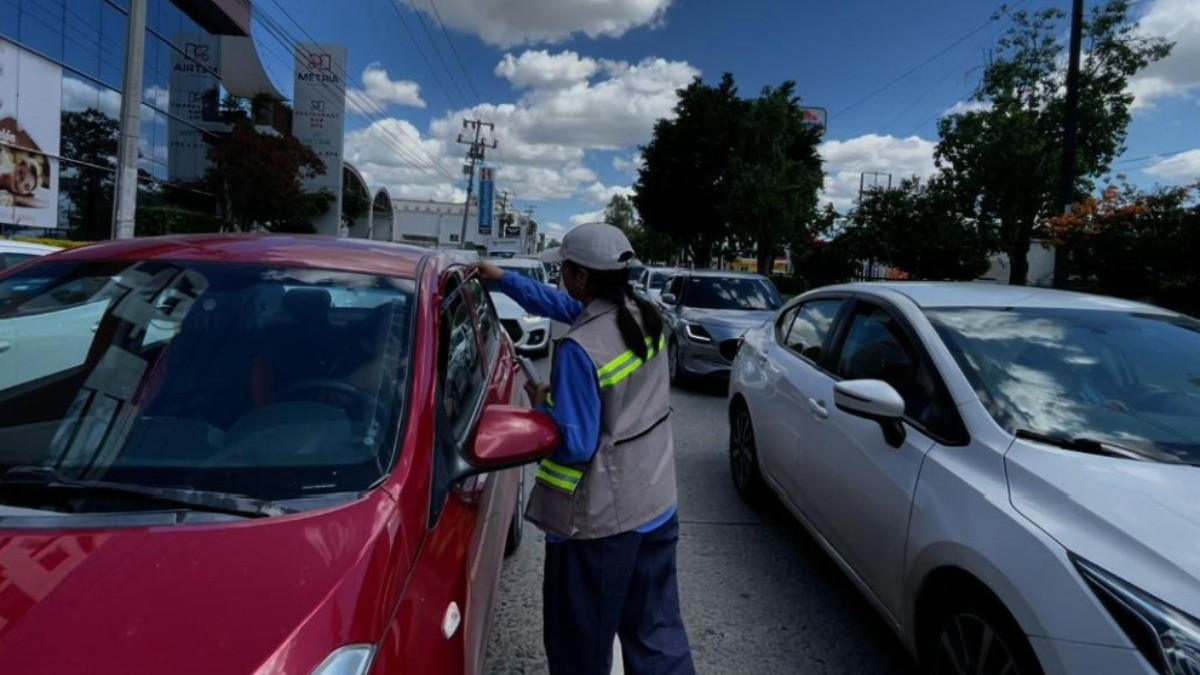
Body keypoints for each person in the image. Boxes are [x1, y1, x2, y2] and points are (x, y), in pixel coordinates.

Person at [469, 223, 695, 675]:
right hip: (655, 503)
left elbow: (573, 443)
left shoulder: (579, 349)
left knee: (580, 645)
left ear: (584, 278)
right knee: (655, 632)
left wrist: (543, 404)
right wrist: (502, 279)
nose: (562, 279)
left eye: (565, 270)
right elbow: (563, 306)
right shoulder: (641, 312)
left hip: (602, 525)